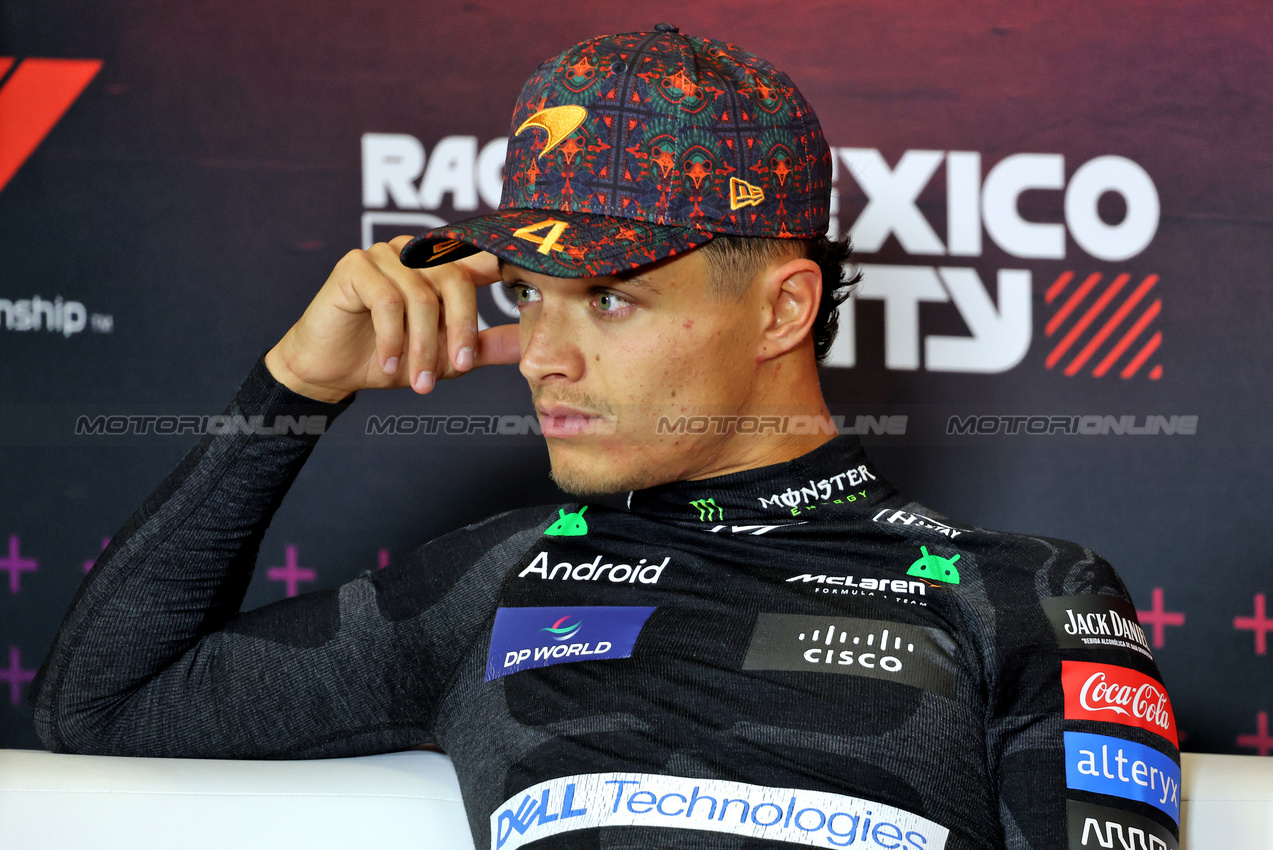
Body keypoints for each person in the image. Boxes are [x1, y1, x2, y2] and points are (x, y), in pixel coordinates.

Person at [31, 26, 1180, 850]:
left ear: (781, 308)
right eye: (529, 294)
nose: (541, 354)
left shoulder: (1019, 593)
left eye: (610, 300)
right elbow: (100, 710)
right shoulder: (499, 579)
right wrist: (293, 388)